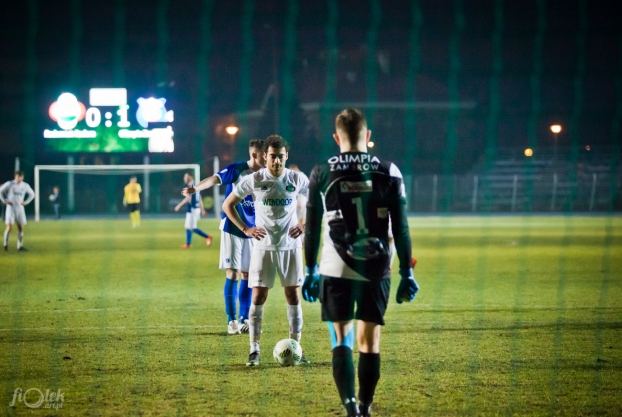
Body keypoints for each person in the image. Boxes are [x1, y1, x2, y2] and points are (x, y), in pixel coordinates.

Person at [303, 108, 419, 417]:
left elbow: (312, 228)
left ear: (336, 137)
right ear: (367, 137)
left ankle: (350, 408)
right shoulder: (389, 170)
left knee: (342, 338)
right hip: (377, 265)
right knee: (370, 341)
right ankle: (366, 407)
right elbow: (402, 228)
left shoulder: (321, 171)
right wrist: (407, 272)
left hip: (335, 265)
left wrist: (308, 270)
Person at [222, 135, 309, 366]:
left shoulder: (297, 179)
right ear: (265, 156)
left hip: (291, 248)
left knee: (293, 296)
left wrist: (304, 225)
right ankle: (254, 349)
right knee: (259, 296)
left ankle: (297, 348)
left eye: (281, 157)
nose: (277, 162)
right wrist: (246, 229)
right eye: (272, 157)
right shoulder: (254, 179)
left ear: (286, 156)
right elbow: (227, 205)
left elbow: (318, 200)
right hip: (262, 248)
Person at [182, 139, 265, 335]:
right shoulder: (237, 170)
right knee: (233, 273)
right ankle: (232, 321)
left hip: (253, 231)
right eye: (264, 155)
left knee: (249, 275)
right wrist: (196, 189)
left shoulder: (265, 175)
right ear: (254, 155)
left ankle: (245, 319)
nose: (267, 159)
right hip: (233, 228)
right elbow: (215, 179)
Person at [174, 172, 212, 249]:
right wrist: (202, 210)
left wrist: (178, 206)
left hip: (193, 209)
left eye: (186, 176)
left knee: (192, 227)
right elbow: (200, 198)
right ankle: (188, 244)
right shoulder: (195, 185)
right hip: (192, 209)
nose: (184, 178)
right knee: (188, 227)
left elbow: (188, 198)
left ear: (190, 177)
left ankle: (207, 236)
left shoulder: (192, 186)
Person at [1, 171, 36, 251]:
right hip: (11, 208)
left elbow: (32, 194)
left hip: (20, 208)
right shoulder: (10, 184)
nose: (19, 178)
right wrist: (5, 201)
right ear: (15, 177)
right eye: (17, 177)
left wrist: (26, 202)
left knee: (20, 227)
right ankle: (5, 245)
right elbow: (0, 191)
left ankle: (19, 246)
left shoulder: (25, 185)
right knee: (9, 227)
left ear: (22, 177)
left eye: (20, 177)